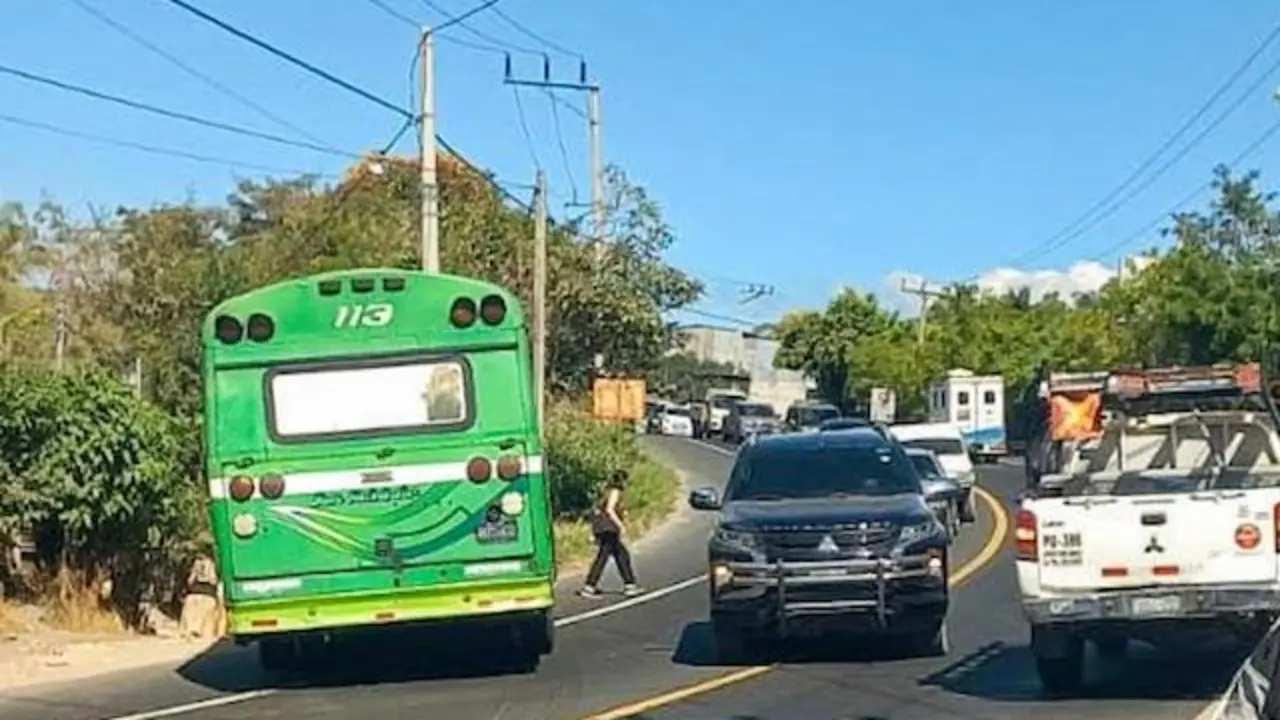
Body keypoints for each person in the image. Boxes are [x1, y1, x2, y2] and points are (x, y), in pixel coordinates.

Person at [578, 470, 642, 598]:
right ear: (622, 481)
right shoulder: (615, 492)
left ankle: (629, 584)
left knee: (619, 555)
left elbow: (597, 511)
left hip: (603, 528)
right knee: (610, 557)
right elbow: (609, 510)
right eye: (626, 481)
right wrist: (620, 525)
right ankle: (590, 587)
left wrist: (593, 530)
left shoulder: (606, 492)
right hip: (609, 529)